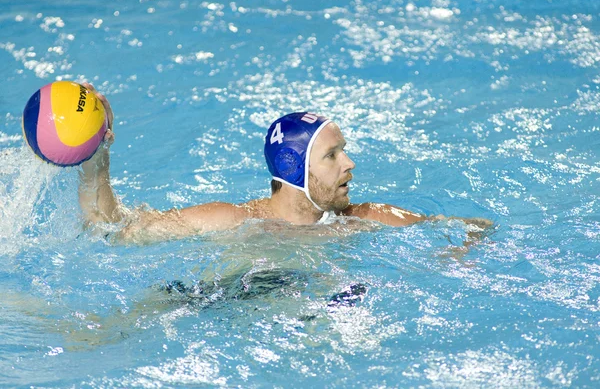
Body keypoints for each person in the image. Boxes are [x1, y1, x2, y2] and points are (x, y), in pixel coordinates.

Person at [79, 84, 492, 244]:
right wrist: (97, 157)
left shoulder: (365, 218)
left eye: (342, 150)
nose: (349, 163)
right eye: (332, 155)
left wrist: (460, 253)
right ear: (293, 168)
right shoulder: (231, 219)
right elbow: (112, 229)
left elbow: (475, 226)